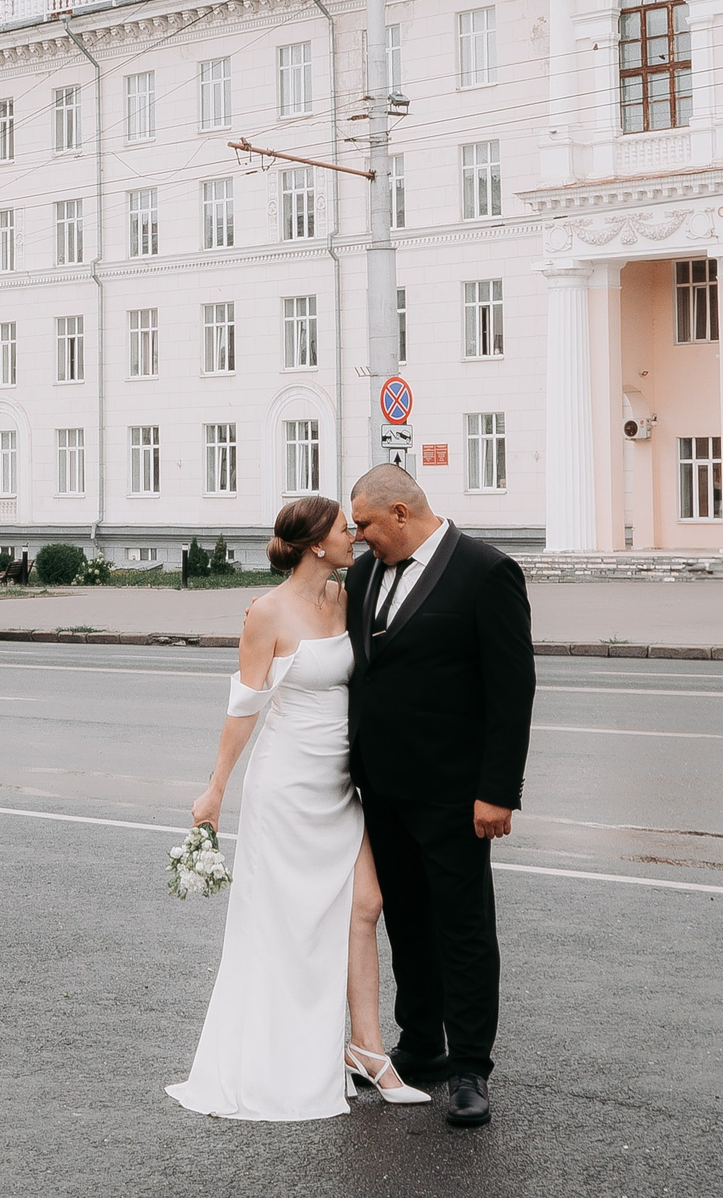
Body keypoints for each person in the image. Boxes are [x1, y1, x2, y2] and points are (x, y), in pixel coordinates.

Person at [167, 494, 428, 1121]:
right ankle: (278, 1059)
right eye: (346, 529)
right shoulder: (266, 613)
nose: (356, 537)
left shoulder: (347, 597)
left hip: (340, 785)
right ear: (317, 544)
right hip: (284, 787)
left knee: (366, 902)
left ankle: (364, 1049)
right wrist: (215, 789)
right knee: (282, 927)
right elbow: (244, 707)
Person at [344, 463, 535, 1130]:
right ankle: (421, 1040)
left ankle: (470, 1068)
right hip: (381, 784)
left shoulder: (486, 572)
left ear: (401, 513)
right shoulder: (365, 574)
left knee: (462, 926)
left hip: (456, 792)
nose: (357, 535)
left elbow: (512, 693)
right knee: (406, 920)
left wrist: (498, 791)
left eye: (364, 523)